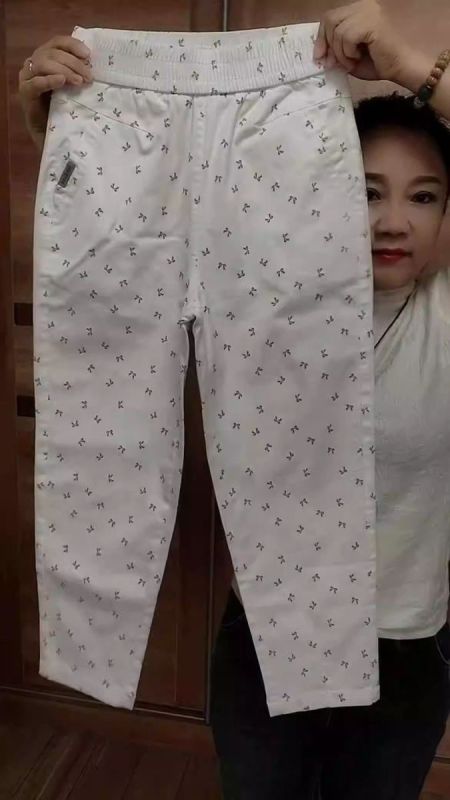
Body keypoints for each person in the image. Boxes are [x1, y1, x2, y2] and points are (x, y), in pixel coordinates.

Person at [18, 1, 450, 798]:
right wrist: (78, 132)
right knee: (103, 421)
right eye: (365, 191)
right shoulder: (284, 264)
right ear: (323, 195)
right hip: (259, 634)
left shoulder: (441, 317)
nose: (393, 220)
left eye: (424, 197)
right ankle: (90, 651)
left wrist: (413, 67)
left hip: (409, 649)